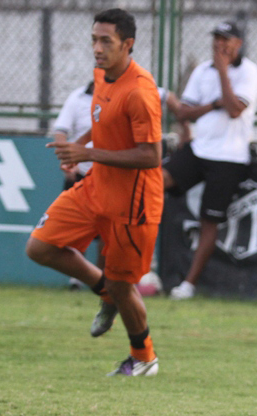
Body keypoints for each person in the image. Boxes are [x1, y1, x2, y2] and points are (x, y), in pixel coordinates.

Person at [26, 8, 164, 376]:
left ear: (128, 44)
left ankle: (143, 357)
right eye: (94, 40)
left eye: (106, 41)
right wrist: (78, 146)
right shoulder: (103, 76)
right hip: (95, 187)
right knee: (39, 247)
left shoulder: (140, 92)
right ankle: (104, 291)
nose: (97, 48)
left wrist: (86, 153)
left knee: (125, 285)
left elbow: (152, 155)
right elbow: (103, 123)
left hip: (132, 204)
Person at [163, 20, 257, 300]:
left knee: (209, 221)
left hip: (229, 157)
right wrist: (213, 104)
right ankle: (143, 264)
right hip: (199, 149)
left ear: (238, 44)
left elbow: (234, 109)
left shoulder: (249, 72)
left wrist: (222, 75)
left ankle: (188, 285)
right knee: (153, 183)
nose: (219, 45)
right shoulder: (201, 71)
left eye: (225, 40)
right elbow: (183, 112)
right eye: (216, 39)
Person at [54, 81, 184, 289]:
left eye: (106, 45)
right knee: (57, 239)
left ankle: (112, 282)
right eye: (96, 46)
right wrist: (67, 156)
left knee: (111, 238)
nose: (99, 52)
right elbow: (65, 131)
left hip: (115, 177)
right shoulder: (77, 97)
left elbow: (168, 99)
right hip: (82, 175)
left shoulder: (134, 87)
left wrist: (185, 125)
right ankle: (80, 279)